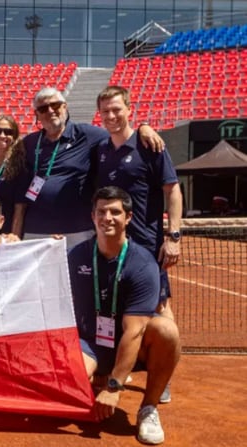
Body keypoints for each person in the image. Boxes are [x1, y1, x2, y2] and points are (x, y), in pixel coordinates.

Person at [68, 186, 180, 445]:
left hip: (130, 344)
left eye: (115, 212)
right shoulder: (77, 256)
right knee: (69, 390)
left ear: (128, 218)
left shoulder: (142, 264)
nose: (107, 217)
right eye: (101, 211)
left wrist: (114, 387)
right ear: (93, 216)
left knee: (166, 330)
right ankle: (96, 375)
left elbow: (135, 331)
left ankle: (148, 408)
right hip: (90, 344)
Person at [95, 86, 183, 404]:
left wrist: (174, 237)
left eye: (117, 109)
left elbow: (172, 191)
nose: (112, 116)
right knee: (123, 309)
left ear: (129, 109)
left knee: (160, 308)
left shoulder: (150, 144)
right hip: (113, 244)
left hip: (147, 244)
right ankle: (123, 365)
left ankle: (164, 375)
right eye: (105, 111)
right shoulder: (101, 149)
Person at [22, 87, 164, 249]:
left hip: (78, 230)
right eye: (43, 108)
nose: (50, 111)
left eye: (55, 105)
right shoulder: (30, 142)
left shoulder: (88, 135)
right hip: (36, 229)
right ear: (37, 115)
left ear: (65, 106)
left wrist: (143, 128)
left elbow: (120, 132)